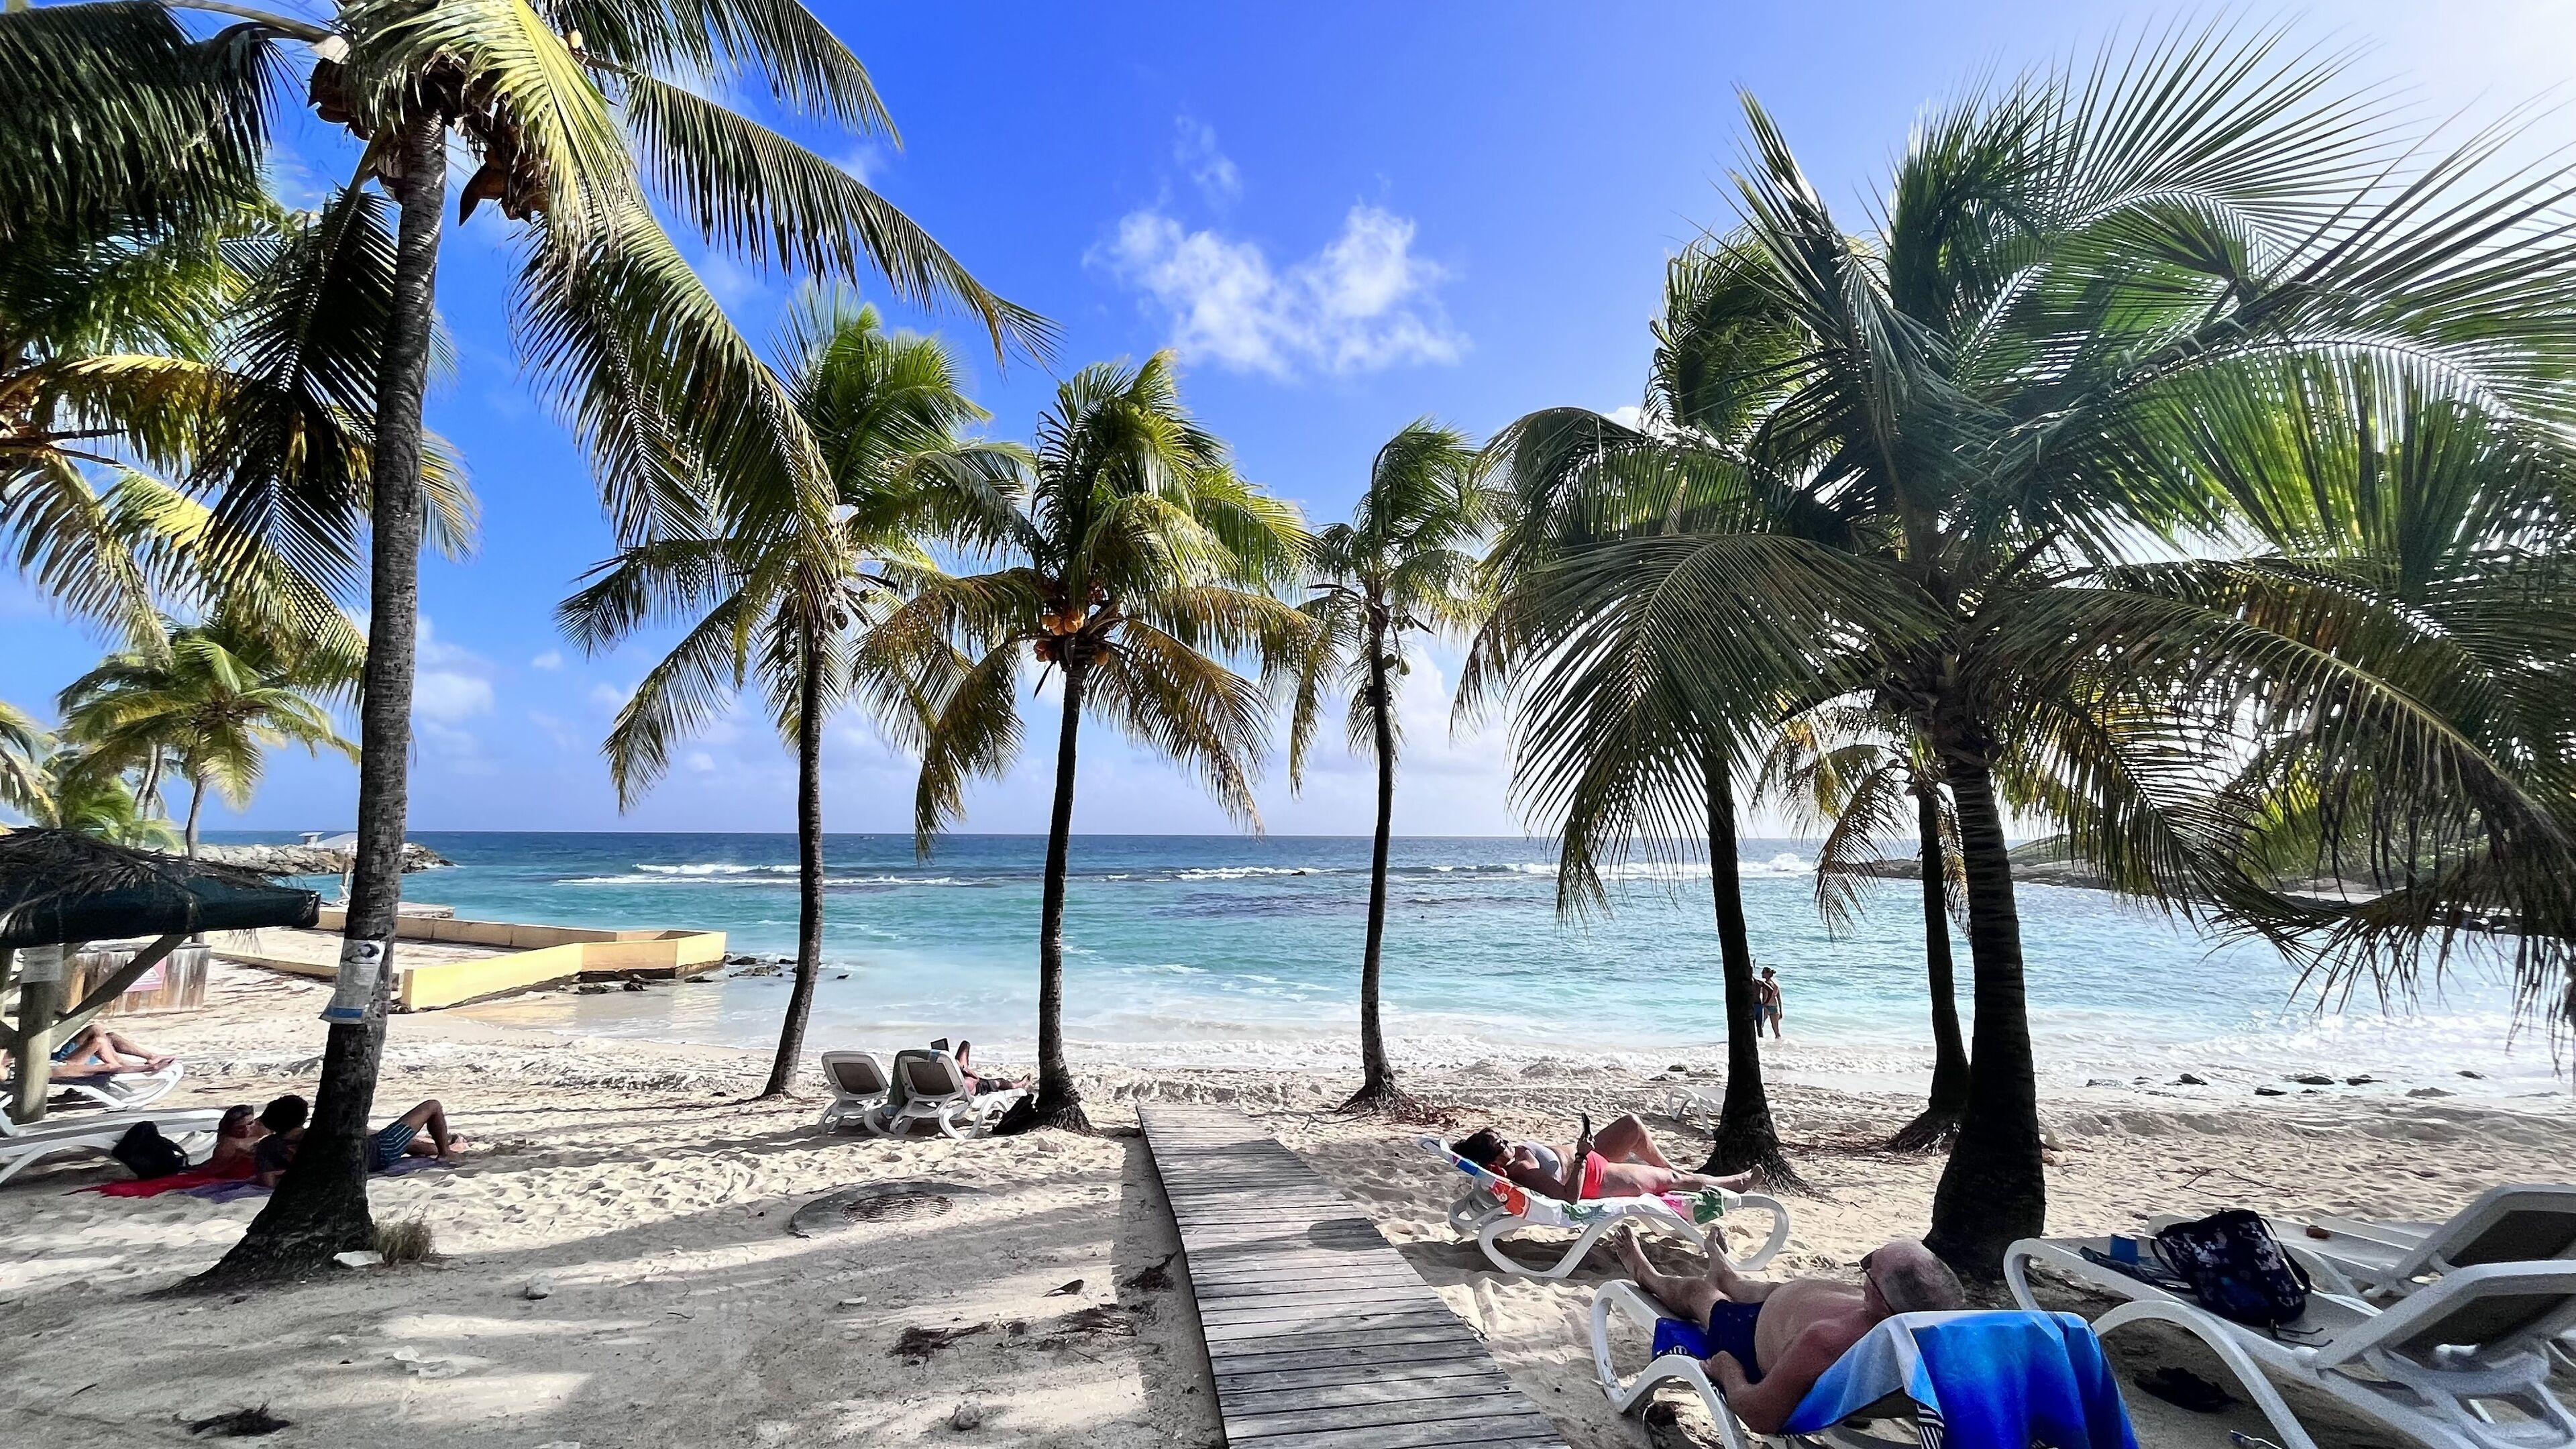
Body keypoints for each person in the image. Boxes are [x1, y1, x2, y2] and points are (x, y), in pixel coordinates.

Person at [1612, 1228, 1964, 1434]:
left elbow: (1760, 1414)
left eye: (1870, 1266)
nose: (1865, 1266)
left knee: (1698, 1294)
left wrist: (1727, 1370)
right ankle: (1728, 1276)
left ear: (1885, 1305)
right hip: (1783, 1309)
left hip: (1749, 1336)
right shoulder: (1941, 1333)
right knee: (1771, 1289)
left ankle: (1650, 1277)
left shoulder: (1827, 1342)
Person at [1451, 1114, 1764, 1203]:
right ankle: (1733, 1183)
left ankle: (1677, 1170)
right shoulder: (1523, 1170)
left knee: (1631, 1126)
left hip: (1586, 1160)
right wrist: (1584, 1157)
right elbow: (1567, 1197)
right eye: (1500, 1144)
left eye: (1502, 1138)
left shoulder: (1515, 1160)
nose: (1507, 1142)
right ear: (1494, 1164)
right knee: (1669, 1182)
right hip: (1593, 1177)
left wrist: (1583, 1152)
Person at [253, 1094, 464, 1187]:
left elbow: (267, 1182)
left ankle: (446, 1147)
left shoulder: (266, 1147)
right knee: (432, 1106)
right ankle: (445, 1153)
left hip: (367, 1158)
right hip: (380, 1151)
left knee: (409, 1144)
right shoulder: (320, 1133)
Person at [201, 1104, 268, 1177]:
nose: (247, 1129)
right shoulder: (228, 1143)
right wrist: (237, 1159)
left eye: (250, 1123)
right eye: (240, 1127)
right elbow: (214, 1170)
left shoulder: (262, 1127)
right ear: (231, 1128)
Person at [953, 1040, 1020, 1096]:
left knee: (965, 1044)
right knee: (998, 1082)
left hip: (953, 1085)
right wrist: (966, 1070)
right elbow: (976, 1080)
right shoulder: (967, 1083)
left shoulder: (946, 1077)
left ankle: (1014, 1084)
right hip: (977, 1087)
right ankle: (1016, 1085)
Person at [1756, 967, 1785, 1039]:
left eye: (1763, 972)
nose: (1762, 974)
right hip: (1775, 1007)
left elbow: (1758, 994)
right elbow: (1779, 1000)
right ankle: (1779, 1044)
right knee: (1776, 1031)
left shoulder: (1764, 985)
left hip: (1766, 1006)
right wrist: (1781, 1012)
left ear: (1768, 974)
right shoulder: (1776, 986)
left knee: (1760, 1026)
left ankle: (1760, 1042)